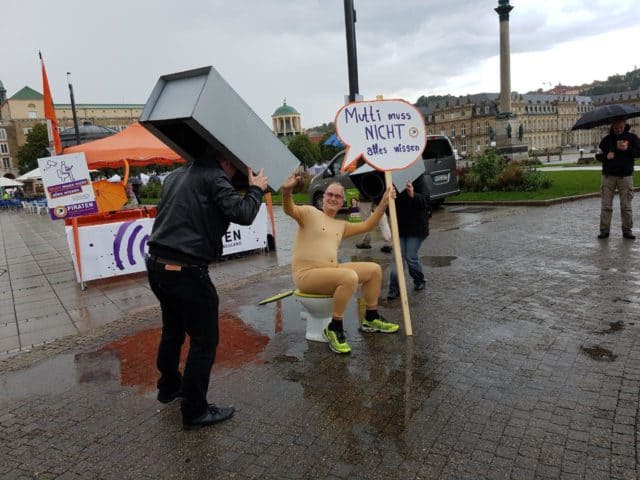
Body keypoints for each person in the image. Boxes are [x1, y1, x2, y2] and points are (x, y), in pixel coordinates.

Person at [146, 148, 268, 429]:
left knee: (173, 331)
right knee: (204, 342)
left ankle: (169, 388)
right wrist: (256, 190)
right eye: (237, 167)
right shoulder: (215, 176)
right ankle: (195, 410)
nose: (238, 173)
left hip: (157, 266)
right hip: (187, 271)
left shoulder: (176, 175)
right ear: (227, 160)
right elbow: (243, 214)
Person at [281, 173, 399, 355]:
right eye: (330, 194)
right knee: (349, 277)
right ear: (322, 198)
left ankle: (371, 317)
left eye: (338, 196)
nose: (333, 198)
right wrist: (287, 191)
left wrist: (383, 202)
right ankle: (335, 327)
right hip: (306, 275)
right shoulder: (309, 213)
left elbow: (368, 225)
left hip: (330, 271)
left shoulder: (341, 226)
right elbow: (289, 209)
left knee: (374, 270)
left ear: (343, 201)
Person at [387, 176, 430, 300]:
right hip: (399, 227)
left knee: (410, 256)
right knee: (398, 258)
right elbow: (387, 207)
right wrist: (387, 199)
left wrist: (412, 194)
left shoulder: (418, 178)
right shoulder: (389, 179)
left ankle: (419, 280)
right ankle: (394, 288)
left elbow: (426, 200)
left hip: (417, 227)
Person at [597, 119, 640, 240]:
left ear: (625, 125)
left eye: (621, 127)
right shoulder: (606, 140)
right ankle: (604, 230)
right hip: (608, 176)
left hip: (625, 176)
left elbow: (639, 152)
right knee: (606, 205)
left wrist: (628, 149)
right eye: (616, 128)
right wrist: (606, 156)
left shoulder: (632, 138)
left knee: (626, 205)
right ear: (612, 126)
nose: (618, 130)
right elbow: (598, 154)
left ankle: (627, 230)